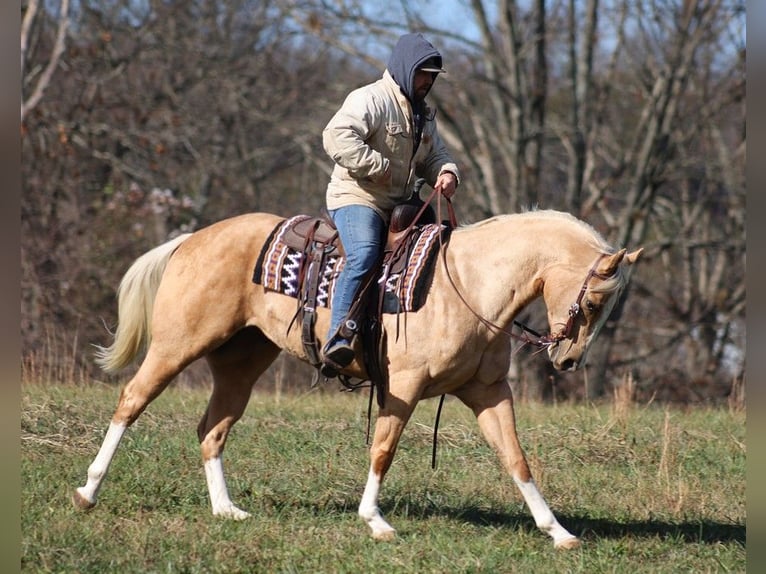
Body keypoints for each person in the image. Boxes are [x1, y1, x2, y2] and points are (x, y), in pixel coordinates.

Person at [320, 32, 460, 375]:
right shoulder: (370, 99)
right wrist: (377, 167)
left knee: (444, 252)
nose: (427, 81)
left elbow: (435, 155)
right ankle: (338, 337)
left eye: (431, 76)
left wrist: (446, 172)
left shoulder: (423, 115)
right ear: (405, 68)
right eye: (422, 73)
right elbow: (335, 136)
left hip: (400, 205)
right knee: (366, 252)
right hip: (358, 198)